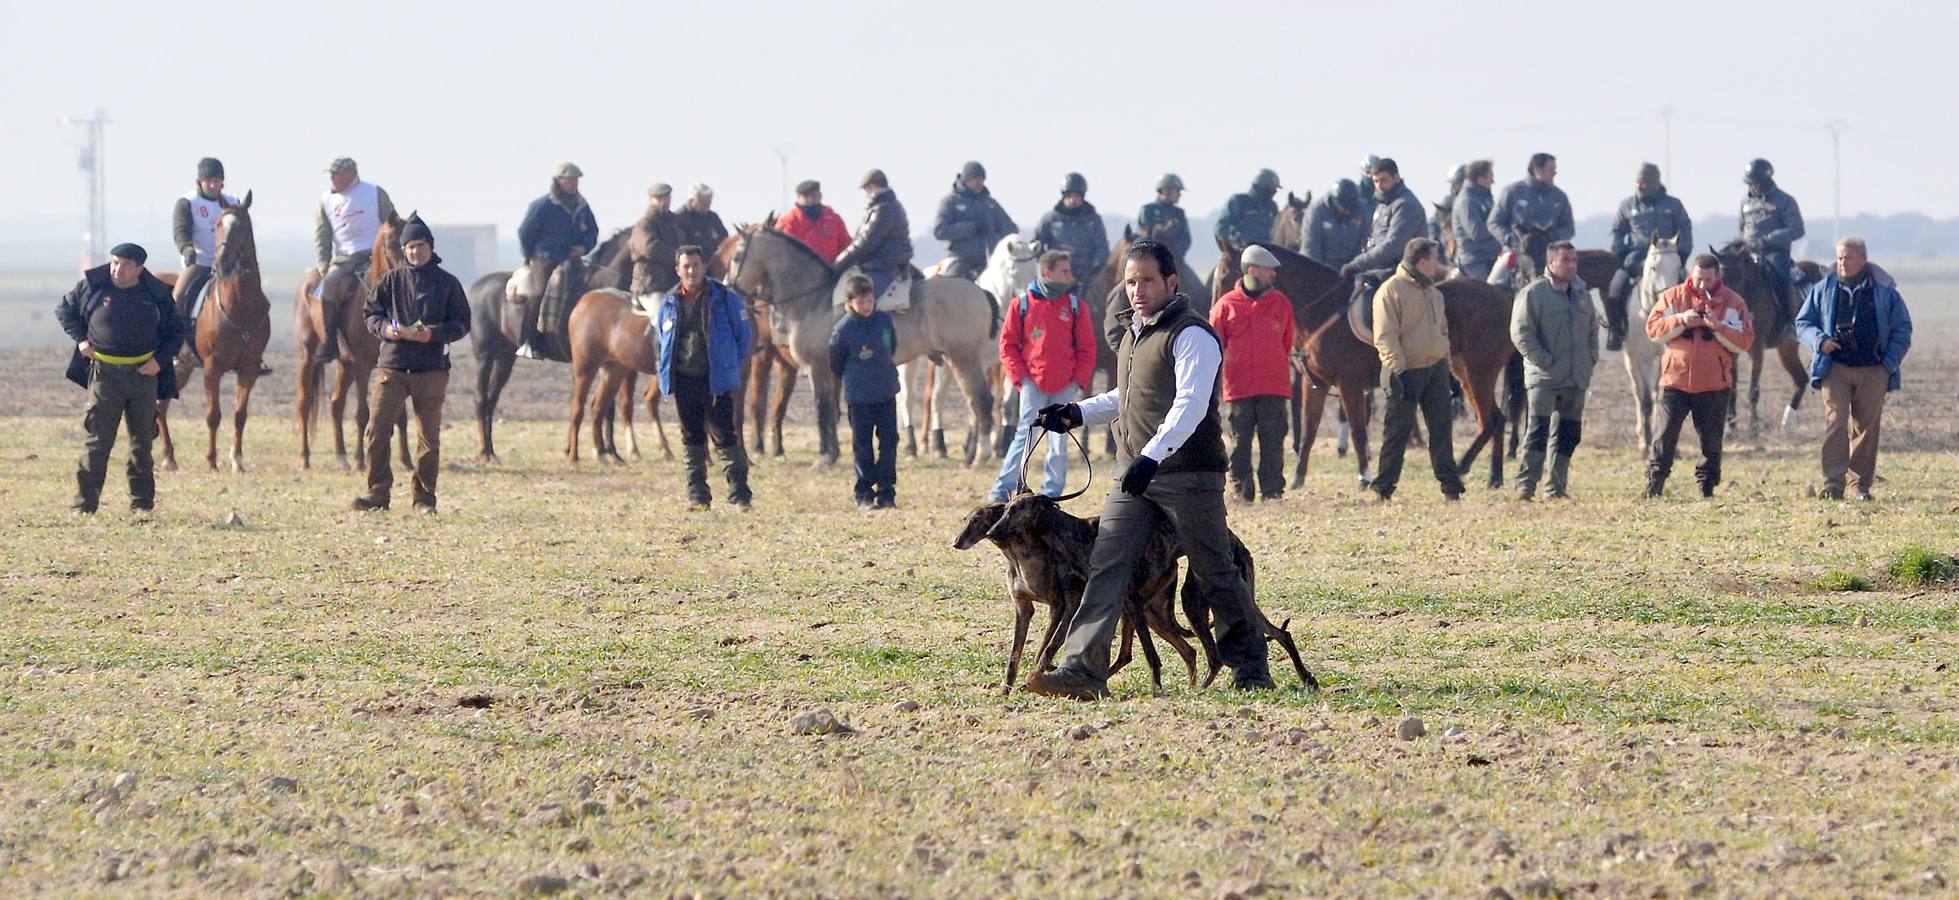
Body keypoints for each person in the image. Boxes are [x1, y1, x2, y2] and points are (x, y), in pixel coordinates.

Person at [1023, 240, 1273, 699]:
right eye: (1131, 281)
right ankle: (1082, 671)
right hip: (1137, 474)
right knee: (1106, 564)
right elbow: (1129, 397)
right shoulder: (1135, 334)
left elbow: (1190, 405)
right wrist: (1075, 414)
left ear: (1171, 283)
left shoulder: (1192, 334)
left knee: (1214, 568)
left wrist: (1151, 457)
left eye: (1147, 281)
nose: (1137, 290)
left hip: (1188, 475)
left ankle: (1250, 666)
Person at [351, 215, 471, 513]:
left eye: (420, 245)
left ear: (430, 247)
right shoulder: (389, 281)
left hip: (431, 370)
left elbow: (462, 323)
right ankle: (377, 492)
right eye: (410, 247)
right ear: (403, 250)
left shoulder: (448, 284)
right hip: (392, 367)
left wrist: (433, 334)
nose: (415, 251)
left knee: (428, 438)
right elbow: (371, 315)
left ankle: (424, 499)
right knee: (377, 431)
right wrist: (386, 330)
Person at [55, 243, 182, 515]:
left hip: (143, 378)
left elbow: (176, 332)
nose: (118, 269)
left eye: (125, 265)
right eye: (115, 263)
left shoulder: (156, 294)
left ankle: (142, 505)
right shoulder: (93, 286)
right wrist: (81, 340)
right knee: (97, 443)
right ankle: (84, 506)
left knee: (142, 444)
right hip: (105, 375)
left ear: (139, 268)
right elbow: (64, 310)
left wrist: (158, 362)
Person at [1795, 237, 1912, 501]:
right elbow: (1803, 322)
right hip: (1834, 367)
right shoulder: (1824, 287)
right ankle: (1833, 484)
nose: (1842, 263)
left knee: (1866, 428)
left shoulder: (1884, 290)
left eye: (1847, 258)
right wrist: (1820, 341)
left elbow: (1903, 328)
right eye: (1838, 258)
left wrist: (1888, 363)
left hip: (1874, 368)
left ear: (1863, 259)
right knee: (1835, 423)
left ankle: (1859, 485)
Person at [988, 249, 1097, 503]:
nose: (1070, 276)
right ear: (1048, 272)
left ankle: (1052, 493)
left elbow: (1087, 348)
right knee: (1026, 434)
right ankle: (1004, 489)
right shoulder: (1021, 305)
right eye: (1065, 271)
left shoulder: (1075, 306)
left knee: (1059, 440)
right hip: (1033, 383)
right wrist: (1022, 379)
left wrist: (1077, 381)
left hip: (1065, 384)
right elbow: (1007, 346)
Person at [1643, 254, 1753, 498]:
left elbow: (1744, 341)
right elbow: (1653, 329)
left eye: (1708, 279)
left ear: (1718, 277)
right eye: (1698, 278)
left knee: (1712, 441)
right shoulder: (1673, 296)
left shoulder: (1733, 303)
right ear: (1691, 275)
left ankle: (1706, 487)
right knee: (1663, 436)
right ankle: (1655, 483)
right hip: (1674, 380)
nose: (1702, 284)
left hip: (1714, 383)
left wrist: (1717, 327)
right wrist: (1682, 320)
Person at [656, 245, 755, 510]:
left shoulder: (725, 298)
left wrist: (727, 365)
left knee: (725, 435)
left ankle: (740, 496)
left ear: (704, 267)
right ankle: (698, 496)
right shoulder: (668, 303)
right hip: (684, 379)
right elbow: (662, 340)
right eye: (686, 266)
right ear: (678, 270)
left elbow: (744, 338)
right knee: (691, 437)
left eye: (696, 265)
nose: (691, 271)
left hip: (715, 381)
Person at [1368, 238, 1464, 502]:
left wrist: (1448, 370)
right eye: (1435, 258)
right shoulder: (1391, 291)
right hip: (1404, 371)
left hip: (1435, 369)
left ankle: (1451, 487)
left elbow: (1441, 331)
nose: (1438, 264)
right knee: (1396, 433)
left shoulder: (1434, 293)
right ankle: (1383, 488)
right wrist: (1400, 372)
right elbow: (1385, 337)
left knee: (1442, 430)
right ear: (1423, 261)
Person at [1510, 241, 1600, 500]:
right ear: (1551, 263)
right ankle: (1526, 486)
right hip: (1545, 377)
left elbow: (1593, 330)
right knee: (1537, 432)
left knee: (1568, 435)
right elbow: (1521, 333)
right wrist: (1544, 360)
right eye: (1565, 260)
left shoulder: (1583, 295)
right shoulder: (1534, 294)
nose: (1571, 265)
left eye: (1574, 260)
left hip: (1576, 378)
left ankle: (1556, 487)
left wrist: (1590, 357)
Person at [1210, 245, 1296, 502]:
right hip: (1238, 389)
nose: (1273, 274)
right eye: (1269, 269)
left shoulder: (1281, 303)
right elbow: (1214, 345)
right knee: (1239, 443)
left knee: (1273, 442)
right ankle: (1242, 490)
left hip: (1274, 387)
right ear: (1252, 270)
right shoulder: (1225, 306)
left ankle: (1272, 492)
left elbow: (1287, 342)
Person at [313, 157, 398, 363]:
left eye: (336, 174)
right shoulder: (326, 200)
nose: (332, 179)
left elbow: (393, 222)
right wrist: (324, 264)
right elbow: (322, 235)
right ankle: (330, 340)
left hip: (374, 255)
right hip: (345, 258)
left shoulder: (374, 193)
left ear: (350, 174)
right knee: (330, 284)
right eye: (330, 175)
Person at [829, 275, 902, 509]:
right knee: (862, 445)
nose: (866, 306)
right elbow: (835, 363)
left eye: (869, 300)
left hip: (886, 392)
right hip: (859, 397)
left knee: (889, 442)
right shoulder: (843, 330)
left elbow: (891, 346)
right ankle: (864, 493)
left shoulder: (884, 320)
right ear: (850, 302)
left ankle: (887, 491)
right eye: (861, 302)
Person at [515, 162, 600, 357]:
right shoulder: (543, 205)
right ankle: (529, 340)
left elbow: (593, 231)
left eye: (576, 180)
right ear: (559, 180)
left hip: (573, 260)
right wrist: (531, 256)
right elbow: (525, 233)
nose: (574, 183)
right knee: (539, 293)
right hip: (545, 259)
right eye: (570, 179)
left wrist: (584, 247)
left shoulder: (582, 206)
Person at [1606, 163, 1693, 351]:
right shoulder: (1627, 205)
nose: (1640, 187)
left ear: (1654, 184)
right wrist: (1621, 255)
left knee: (1689, 289)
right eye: (1638, 183)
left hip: (1668, 256)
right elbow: (1617, 232)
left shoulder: (1673, 205)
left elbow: (1685, 229)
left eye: (1644, 183)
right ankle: (1616, 331)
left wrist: (1682, 256)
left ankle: (1689, 330)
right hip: (1636, 255)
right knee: (1615, 288)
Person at [1739, 158, 1808, 334]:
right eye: (1751, 183)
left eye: (1757, 183)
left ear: (1766, 180)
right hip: (1748, 251)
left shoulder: (1784, 200)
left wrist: (1768, 240)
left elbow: (1797, 229)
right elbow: (1741, 228)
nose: (1754, 186)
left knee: (1782, 276)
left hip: (1774, 253)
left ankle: (1788, 322)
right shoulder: (1745, 203)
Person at [170, 157, 237, 326]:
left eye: (217, 181)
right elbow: (180, 231)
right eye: (209, 181)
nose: (213, 185)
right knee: (179, 296)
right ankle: (177, 337)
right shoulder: (188, 202)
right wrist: (187, 249)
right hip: (199, 261)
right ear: (200, 182)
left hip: (228, 264)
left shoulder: (233, 202)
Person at [833, 169, 914, 301]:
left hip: (884, 267)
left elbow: (865, 243)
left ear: (872, 187)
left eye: (866, 190)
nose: (866, 194)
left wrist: (838, 264)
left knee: (863, 302)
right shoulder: (882, 207)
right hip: (878, 264)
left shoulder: (884, 209)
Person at [1338, 158, 1424, 279]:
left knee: (1364, 296)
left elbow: (1393, 247)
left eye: (1384, 180)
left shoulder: (1406, 205)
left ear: (1396, 177)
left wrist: (1356, 264)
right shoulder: (1383, 204)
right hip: (1380, 269)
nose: (1379, 186)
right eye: (1376, 181)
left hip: (1402, 273)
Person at [932, 161, 1017, 280]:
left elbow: (1011, 229)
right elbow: (939, 231)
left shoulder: (990, 204)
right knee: (951, 286)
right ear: (966, 180)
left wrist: (995, 236)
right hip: (960, 258)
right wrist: (971, 227)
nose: (979, 182)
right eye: (975, 179)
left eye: (982, 179)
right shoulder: (950, 202)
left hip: (989, 260)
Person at [1489, 153, 1574, 271]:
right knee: (1495, 282)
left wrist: (1552, 238)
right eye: (1551, 169)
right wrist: (1511, 240)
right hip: (1516, 254)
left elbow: (1569, 227)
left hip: (1550, 256)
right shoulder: (1512, 192)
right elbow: (1494, 222)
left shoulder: (1559, 197)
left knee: (1575, 283)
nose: (1555, 173)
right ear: (1537, 170)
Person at [1034, 173, 1110, 292]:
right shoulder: (1050, 219)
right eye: (1070, 196)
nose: (1073, 200)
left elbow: (1102, 247)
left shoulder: (1093, 220)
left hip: (1085, 277)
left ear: (1082, 196)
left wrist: (1095, 268)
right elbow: (1036, 244)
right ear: (1064, 196)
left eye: (1076, 196)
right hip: (1055, 275)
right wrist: (1047, 264)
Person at [628, 183, 686, 296]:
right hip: (650, 286)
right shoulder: (644, 224)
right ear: (651, 200)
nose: (664, 201)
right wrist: (679, 258)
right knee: (659, 311)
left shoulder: (674, 223)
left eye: (666, 197)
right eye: (659, 198)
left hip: (675, 285)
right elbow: (650, 248)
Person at [1300, 179, 1367, 271]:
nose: (1347, 209)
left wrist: (1354, 267)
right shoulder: (1316, 212)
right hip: (1322, 266)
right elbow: (1310, 248)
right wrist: (1317, 273)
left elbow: (1363, 241)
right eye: (1343, 204)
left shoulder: (1361, 210)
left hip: (1351, 268)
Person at [777, 179, 851, 263]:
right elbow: (784, 250)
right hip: (802, 271)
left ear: (820, 196)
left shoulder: (834, 219)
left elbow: (846, 245)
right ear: (798, 198)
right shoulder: (789, 221)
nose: (810, 199)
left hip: (833, 269)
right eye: (806, 196)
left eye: (813, 195)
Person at [1451, 160, 1502, 281]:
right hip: (1476, 262)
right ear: (1481, 179)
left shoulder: (1484, 198)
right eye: (1491, 177)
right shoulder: (1466, 201)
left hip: (1491, 256)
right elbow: (1476, 232)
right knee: (1491, 294)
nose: (1493, 181)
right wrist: (1497, 227)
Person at [1214, 169, 1281, 250]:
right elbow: (1220, 228)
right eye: (1272, 187)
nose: (1275, 191)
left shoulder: (1272, 207)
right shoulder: (1238, 201)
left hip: (1267, 252)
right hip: (1241, 251)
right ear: (1263, 185)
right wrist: (1233, 243)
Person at [1136, 173, 1191, 261]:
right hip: (1147, 258)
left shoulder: (1179, 213)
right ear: (1166, 191)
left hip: (1173, 260)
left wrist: (1174, 254)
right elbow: (1145, 235)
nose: (1180, 195)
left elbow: (1186, 239)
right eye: (1177, 191)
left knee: (1191, 275)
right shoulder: (1147, 210)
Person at [675, 184, 730, 255]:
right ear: (691, 201)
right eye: (703, 204)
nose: (707, 208)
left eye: (709, 204)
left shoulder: (713, 217)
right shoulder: (679, 218)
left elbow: (724, 238)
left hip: (714, 260)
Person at [1430, 164, 1465, 246]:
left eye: (1455, 184)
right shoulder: (1448, 200)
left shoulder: (1477, 201)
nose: (1452, 188)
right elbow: (1434, 223)